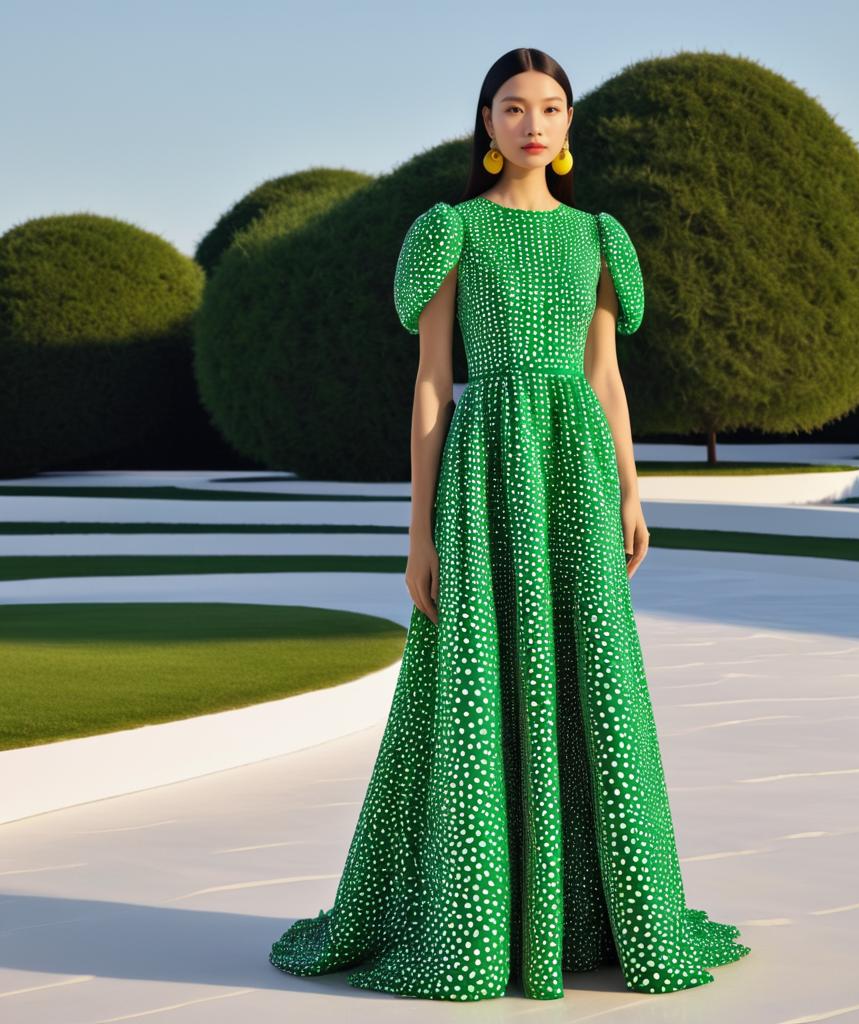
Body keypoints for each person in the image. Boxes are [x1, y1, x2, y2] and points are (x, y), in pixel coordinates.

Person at [268, 46, 751, 1002]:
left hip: (572, 473)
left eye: (553, 107)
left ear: (570, 128)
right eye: (514, 107)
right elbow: (432, 385)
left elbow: (606, 379)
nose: (535, 123)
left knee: (588, 681)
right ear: (485, 124)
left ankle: (592, 915)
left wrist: (630, 490)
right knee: (480, 683)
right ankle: (478, 920)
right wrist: (419, 533)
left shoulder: (600, 239)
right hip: (482, 476)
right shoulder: (450, 232)